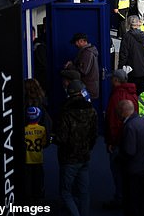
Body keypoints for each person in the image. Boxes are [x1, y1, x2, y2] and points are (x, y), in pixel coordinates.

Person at [55, 80, 98, 216]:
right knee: (84, 192)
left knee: (65, 192)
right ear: (81, 92)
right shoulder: (91, 110)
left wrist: (51, 139)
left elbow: (61, 137)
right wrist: (88, 148)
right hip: (85, 156)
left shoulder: (65, 111)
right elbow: (94, 134)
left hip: (68, 158)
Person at [104, 69, 138, 209]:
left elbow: (113, 120)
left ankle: (120, 198)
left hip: (119, 140)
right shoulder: (133, 94)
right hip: (131, 139)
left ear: (116, 80)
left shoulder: (117, 96)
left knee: (118, 171)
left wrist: (111, 141)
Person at [118, 100, 144, 216]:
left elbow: (129, 151)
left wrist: (120, 158)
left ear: (123, 111)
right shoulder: (142, 120)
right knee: (140, 199)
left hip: (133, 169)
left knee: (131, 201)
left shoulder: (130, 126)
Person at [118, 16, 144, 94]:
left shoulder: (127, 37)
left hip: (131, 72)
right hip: (143, 71)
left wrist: (120, 68)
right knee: (142, 97)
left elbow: (123, 55)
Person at [66, 33, 100, 100]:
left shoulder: (87, 53)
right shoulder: (87, 51)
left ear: (81, 41)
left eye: (76, 42)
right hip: (88, 88)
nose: (75, 45)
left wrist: (70, 66)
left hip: (87, 89)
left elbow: (83, 71)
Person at [25, 106, 48, 201]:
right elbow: (44, 143)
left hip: (27, 159)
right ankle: (38, 196)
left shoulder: (24, 130)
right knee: (38, 179)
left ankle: (28, 197)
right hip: (38, 159)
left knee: (28, 180)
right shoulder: (42, 129)